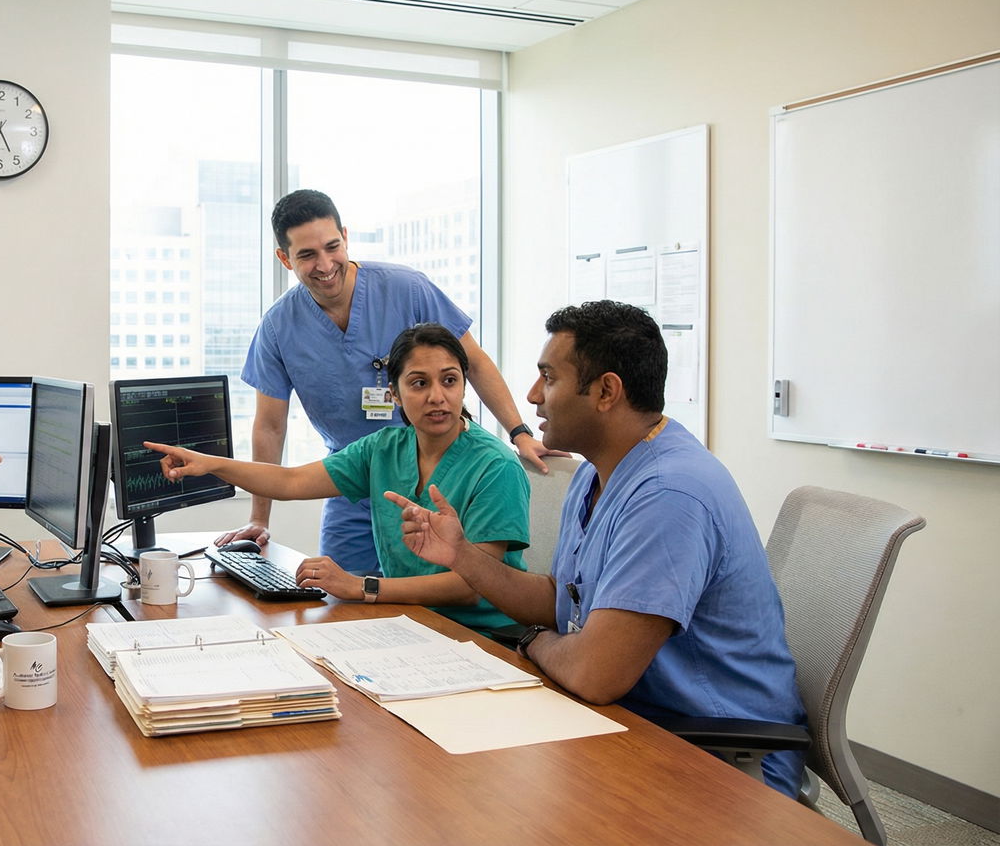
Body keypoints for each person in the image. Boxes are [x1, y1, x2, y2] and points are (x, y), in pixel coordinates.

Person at [385, 300, 806, 795]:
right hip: (624, 717)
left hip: (717, 758)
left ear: (606, 391)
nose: (533, 395)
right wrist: (462, 555)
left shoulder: (669, 494)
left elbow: (594, 672)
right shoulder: (596, 471)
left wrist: (531, 640)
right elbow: (561, 600)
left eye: (549, 377)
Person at [226, 189, 559, 576]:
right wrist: (260, 519)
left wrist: (519, 433)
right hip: (351, 479)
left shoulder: (407, 289)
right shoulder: (279, 326)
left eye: (332, 246)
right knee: (340, 602)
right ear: (285, 259)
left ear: (345, 237)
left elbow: (474, 363)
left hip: (433, 474)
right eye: (307, 255)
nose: (325, 264)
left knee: (436, 600)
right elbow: (269, 425)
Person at [149, 323, 530, 633]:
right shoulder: (384, 448)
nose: (437, 396)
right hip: (414, 623)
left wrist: (361, 587)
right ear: (394, 394)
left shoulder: (495, 466)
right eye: (418, 383)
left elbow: (470, 586)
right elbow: (291, 482)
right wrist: (211, 463)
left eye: (450, 380)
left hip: (488, 638)